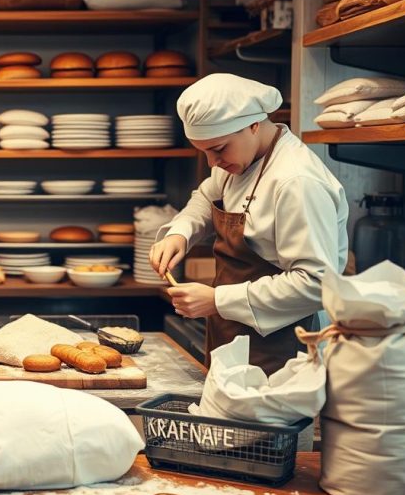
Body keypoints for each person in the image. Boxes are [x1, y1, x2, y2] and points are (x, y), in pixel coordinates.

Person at [149, 73, 349, 374]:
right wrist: (180, 233)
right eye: (203, 151)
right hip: (232, 332)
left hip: (283, 346)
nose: (212, 163)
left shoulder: (297, 182)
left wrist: (218, 300)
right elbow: (206, 196)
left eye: (218, 149)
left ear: (253, 125)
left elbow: (316, 283)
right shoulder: (238, 160)